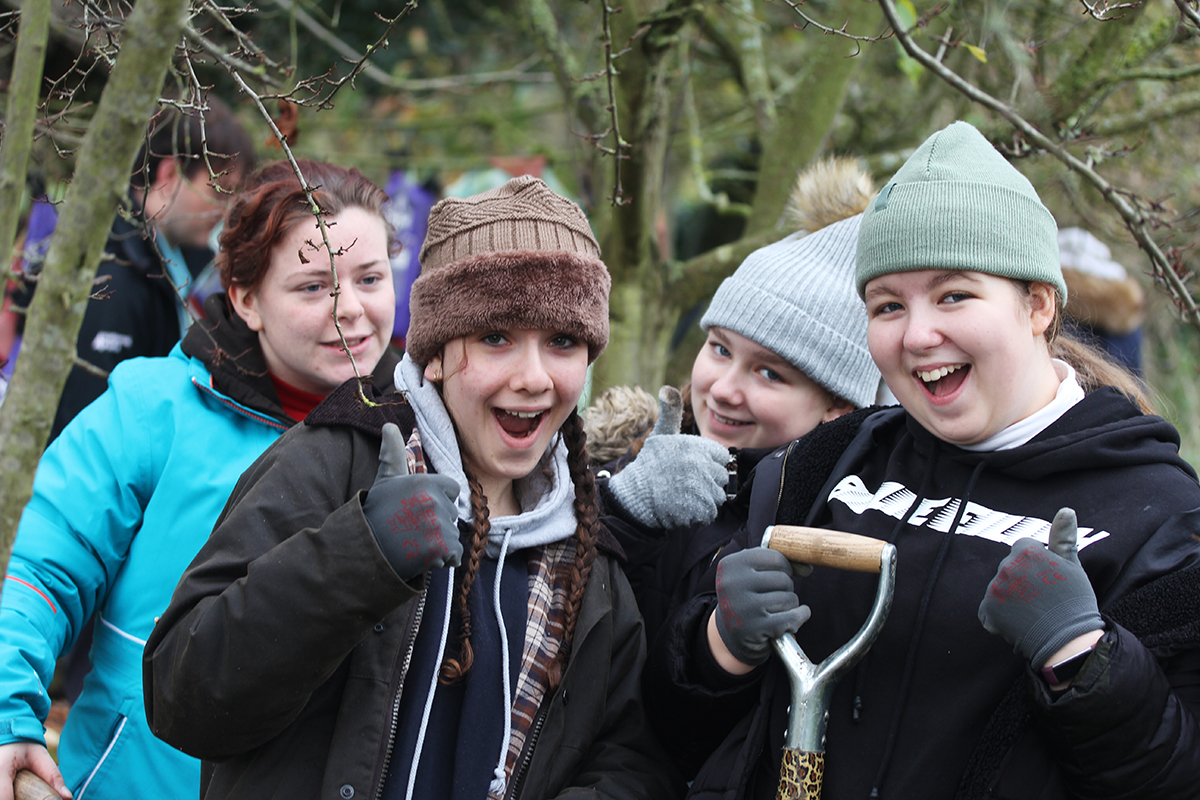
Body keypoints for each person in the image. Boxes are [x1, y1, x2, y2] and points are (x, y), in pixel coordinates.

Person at [644, 121, 1200, 799]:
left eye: (954, 295)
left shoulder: (1159, 519)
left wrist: (1083, 660)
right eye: (887, 305)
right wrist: (716, 648)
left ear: (1036, 304)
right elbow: (677, 740)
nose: (917, 334)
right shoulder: (820, 468)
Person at [143, 175, 683, 800]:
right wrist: (359, 553)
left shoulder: (588, 552)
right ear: (433, 352)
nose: (534, 377)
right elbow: (183, 696)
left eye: (562, 341)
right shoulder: (335, 460)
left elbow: (631, 760)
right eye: (495, 337)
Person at [0, 159, 398, 800]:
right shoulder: (153, 408)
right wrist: (7, 712)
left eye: (370, 278)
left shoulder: (422, 440)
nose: (350, 309)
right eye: (312, 286)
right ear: (246, 299)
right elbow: (43, 569)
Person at [596, 158, 883, 645]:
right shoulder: (632, 460)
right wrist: (623, 513)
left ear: (840, 407)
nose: (724, 389)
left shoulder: (838, 528)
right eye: (720, 348)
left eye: (769, 372)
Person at [4, 96, 256, 443]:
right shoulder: (111, 270)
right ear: (169, 174)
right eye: (219, 190)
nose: (225, 209)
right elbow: (87, 421)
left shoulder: (160, 256)